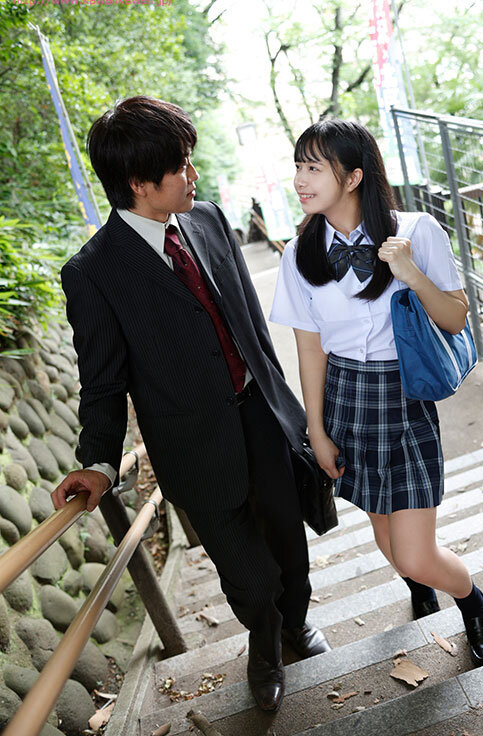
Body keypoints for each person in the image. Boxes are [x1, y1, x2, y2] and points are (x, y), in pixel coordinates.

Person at [51, 96, 331, 713]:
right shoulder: (93, 273)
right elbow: (102, 383)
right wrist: (98, 463)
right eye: (180, 166)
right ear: (138, 182)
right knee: (248, 573)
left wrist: (293, 412)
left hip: (261, 414)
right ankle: (265, 643)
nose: (193, 175)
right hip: (192, 447)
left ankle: (295, 622)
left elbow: (251, 326)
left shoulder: (207, 220)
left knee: (290, 541)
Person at [269, 119, 483, 667]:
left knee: (415, 552)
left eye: (313, 168)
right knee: (387, 539)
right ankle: (418, 586)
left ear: (353, 177)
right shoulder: (299, 254)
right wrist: (316, 431)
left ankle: (472, 601)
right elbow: (310, 350)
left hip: (404, 395)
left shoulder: (417, 230)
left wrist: (411, 273)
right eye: (298, 167)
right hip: (346, 401)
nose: (300, 180)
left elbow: (456, 319)